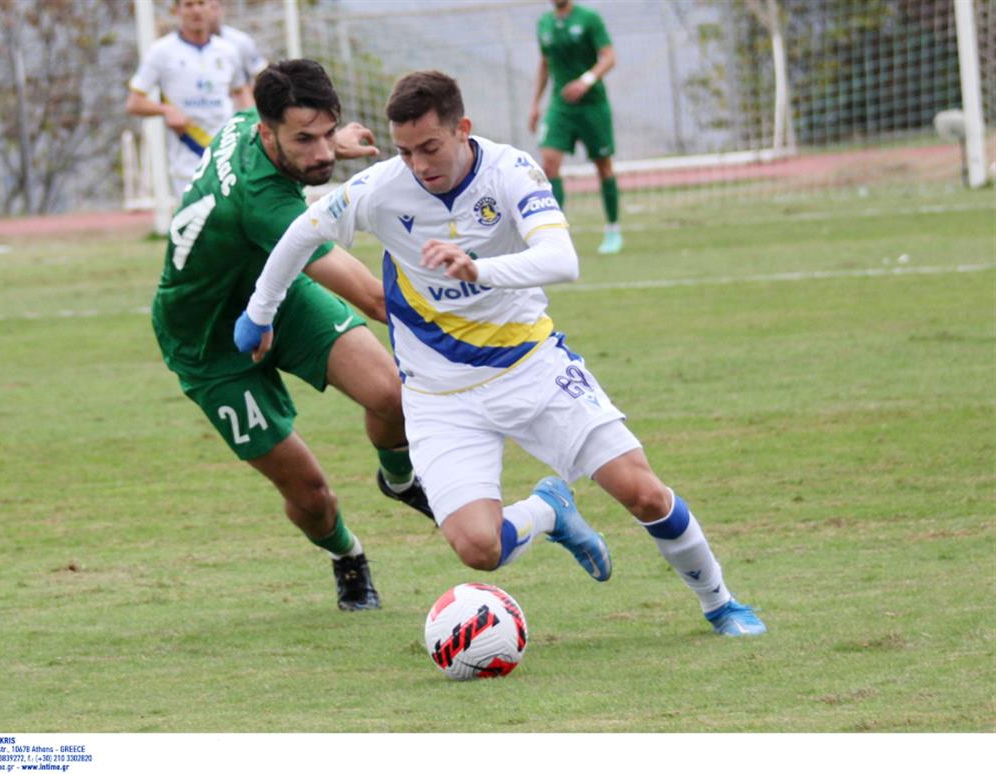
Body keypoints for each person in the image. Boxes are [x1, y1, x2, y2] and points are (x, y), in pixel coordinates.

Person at [236, 70, 766, 637]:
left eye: (430, 147)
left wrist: (479, 269)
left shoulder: (510, 171)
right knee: (478, 549)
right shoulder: (381, 188)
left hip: (532, 369)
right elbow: (302, 233)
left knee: (643, 492)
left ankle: (721, 604)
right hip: (439, 397)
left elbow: (562, 259)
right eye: (405, 151)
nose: (417, 164)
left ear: (462, 129)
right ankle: (549, 511)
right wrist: (259, 312)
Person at [152, 59, 434, 613]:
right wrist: (473, 320)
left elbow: (298, 150)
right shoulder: (265, 206)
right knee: (311, 495)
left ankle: (400, 482)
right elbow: (377, 300)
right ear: (268, 133)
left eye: (327, 132)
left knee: (391, 395)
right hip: (206, 342)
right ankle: (347, 554)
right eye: (305, 140)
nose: (322, 152)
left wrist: (330, 145)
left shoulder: (244, 121)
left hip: (271, 294)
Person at [127, 0, 253, 196]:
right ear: (176, 11)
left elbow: (241, 91)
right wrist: (166, 110)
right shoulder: (161, 51)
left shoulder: (228, 50)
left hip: (227, 155)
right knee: (199, 215)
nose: (196, 10)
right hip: (188, 159)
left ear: (210, 8)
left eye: (201, 3)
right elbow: (134, 103)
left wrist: (250, 125)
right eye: (189, 4)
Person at [528, 0, 622, 256]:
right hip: (561, 105)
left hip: (592, 105)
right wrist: (535, 104)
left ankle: (613, 228)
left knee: (603, 165)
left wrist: (586, 81)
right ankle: (556, 235)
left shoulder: (589, 18)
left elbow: (609, 57)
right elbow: (545, 63)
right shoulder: (544, 23)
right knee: (549, 163)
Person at [211, 0, 268, 85]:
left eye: (214, 8)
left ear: (222, 10)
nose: (211, 14)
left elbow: (260, 71)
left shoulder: (241, 41)